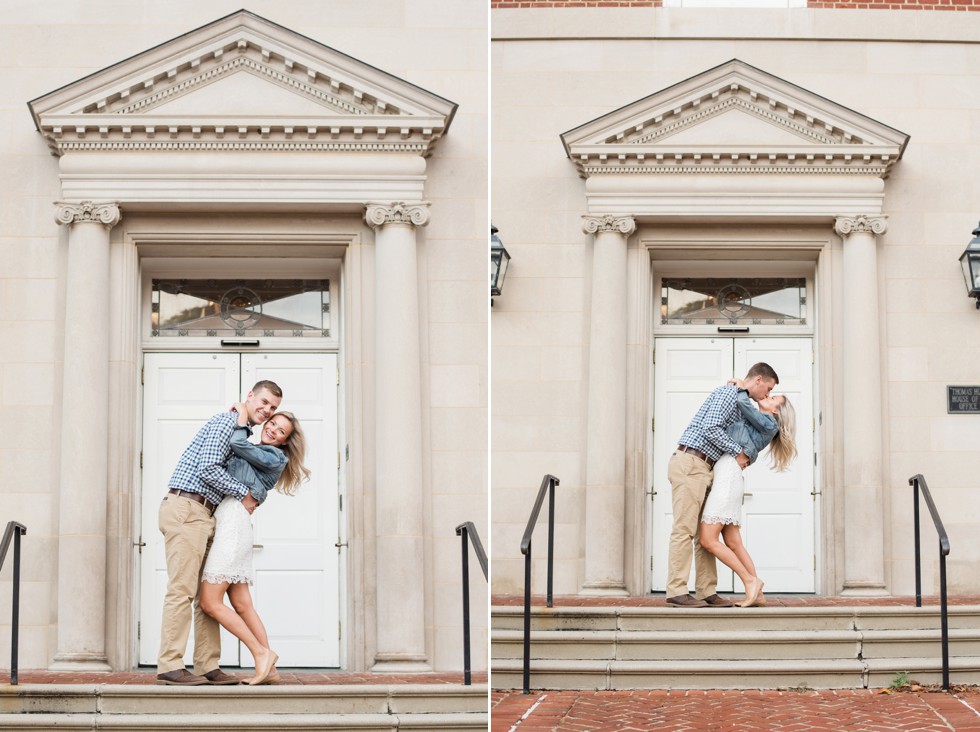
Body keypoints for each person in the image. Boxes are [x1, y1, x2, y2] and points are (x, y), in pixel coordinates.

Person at [156, 380, 282, 686]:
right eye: (263, 402)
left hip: (206, 513)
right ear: (249, 396)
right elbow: (208, 467)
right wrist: (243, 494)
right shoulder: (226, 421)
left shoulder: (241, 429)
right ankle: (170, 665)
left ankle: (207, 665)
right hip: (187, 507)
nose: (266, 411)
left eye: (273, 408)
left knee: (205, 595)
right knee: (182, 589)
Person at [199, 405, 310, 685]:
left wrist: (242, 415)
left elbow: (236, 442)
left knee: (210, 602)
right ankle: (270, 668)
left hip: (233, 526)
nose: (272, 429)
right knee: (242, 603)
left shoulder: (273, 456)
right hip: (231, 521)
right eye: (272, 423)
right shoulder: (256, 449)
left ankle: (261, 653)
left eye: (280, 431)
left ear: (285, 441)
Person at [665, 362, 779, 609]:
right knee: (684, 529)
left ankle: (707, 591)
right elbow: (711, 428)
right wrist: (737, 451)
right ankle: (677, 590)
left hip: (706, 468)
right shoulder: (727, 394)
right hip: (691, 461)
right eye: (768, 388)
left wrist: (739, 385)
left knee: (704, 534)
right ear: (758, 379)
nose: (767, 395)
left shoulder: (739, 401)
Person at [699, 389, 797, 608]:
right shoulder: (757, 424)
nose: (767, 397)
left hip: (728, 475)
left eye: (773, 398)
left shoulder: (769, 423)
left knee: (708, 539)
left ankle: (750, 581)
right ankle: (757, 593)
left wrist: (741, 386)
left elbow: (743, 403)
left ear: (776, 412)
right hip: (729, 472)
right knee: (733, 541)